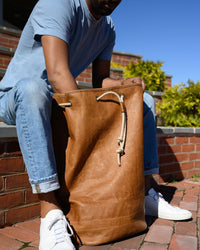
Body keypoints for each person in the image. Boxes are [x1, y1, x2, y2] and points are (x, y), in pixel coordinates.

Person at [0, 0, 192, 249]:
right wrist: (93, 131)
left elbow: (100, 80)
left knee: (142, 99)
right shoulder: (58, 4)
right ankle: (50, 210)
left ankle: (145, 191)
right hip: (17, 98)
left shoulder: (108, 28)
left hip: (60, 101)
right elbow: (58, 76)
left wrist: (126, 86)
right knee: (34, 89)